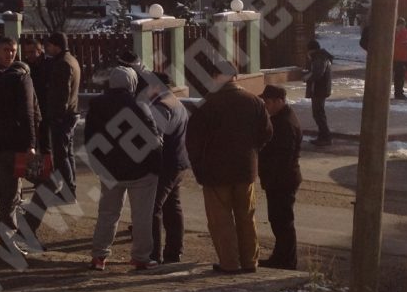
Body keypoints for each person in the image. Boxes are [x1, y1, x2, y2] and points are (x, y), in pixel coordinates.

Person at [186, 60, 273, 274]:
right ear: (236, 77)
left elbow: (193, 142)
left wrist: (199, 167)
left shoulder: (208, 104)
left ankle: (230, 263)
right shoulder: (254, 101)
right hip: (245, 169)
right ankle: (250, 261)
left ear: (217, 76)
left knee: (220, 219)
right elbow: (266, 133)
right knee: (247, 216)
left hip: (215, 172)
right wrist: (251, 151)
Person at [86, 66, 163, 271]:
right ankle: (140, 257)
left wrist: (99, 166)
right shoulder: (140, 105)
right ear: (132, 83)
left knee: (108, 214)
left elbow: (90, 140)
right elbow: (154, 141)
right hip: (141, 172)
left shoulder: (96, 105)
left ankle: (99, 256)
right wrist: (156, 167)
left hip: (110, 172)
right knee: (141, 217)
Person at [0, 37, 41, 252]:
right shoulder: (21, 78)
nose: (10, 54)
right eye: (6, 49)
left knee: (5, 190)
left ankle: (4, 231)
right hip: (16, 145)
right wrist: (31, 143)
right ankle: (9, 241)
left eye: (13, 50)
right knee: (12, 193)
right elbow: (28, 113)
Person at [257, 85, 302, 270]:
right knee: (279, 220)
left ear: (279, 101)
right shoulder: (281, 118)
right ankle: (281, 257)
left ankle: (286, 261)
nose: (265, 106)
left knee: (283, 221)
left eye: (267, 102)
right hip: (280, 178)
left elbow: (282, 156)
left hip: (282, 180)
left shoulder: (284, 123)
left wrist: (271, 176)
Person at [147, 72, 190, 264]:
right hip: (179, 161)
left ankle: (153, 253)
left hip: (166, 164)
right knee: (173, 207)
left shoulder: (161, 106)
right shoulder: (176, 102)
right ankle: (174, 251)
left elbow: (156, 139)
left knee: (153, 207)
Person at [44, 32, 81, 198]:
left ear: (56, 46)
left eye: (49, 45)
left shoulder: (62, 64)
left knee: (61, 155)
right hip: (71, 113)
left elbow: (62, 93)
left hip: (63, 116)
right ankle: (71, 188)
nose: (47, 48)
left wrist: (57, 115)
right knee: (68, 153)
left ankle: (68, 190)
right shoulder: (71, 60)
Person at [304, 39, 333, 146]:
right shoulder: (320, 57)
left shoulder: (319, 58)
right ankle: (322, 136)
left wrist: (307, 77)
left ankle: (326, 137)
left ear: (311, 50)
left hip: (319, 90)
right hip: (321, 89)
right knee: (318, 114)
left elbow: (317, 73)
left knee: (318, 114)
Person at [393, 17, 407, 100]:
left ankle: (400, 92)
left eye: (403, 25)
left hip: (405, 58)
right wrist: (397, 33)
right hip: (396, 58)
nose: (402, 27)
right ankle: (398, 93)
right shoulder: (394, 32)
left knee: (402, 76)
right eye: (400, 25)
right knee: (398, 76)